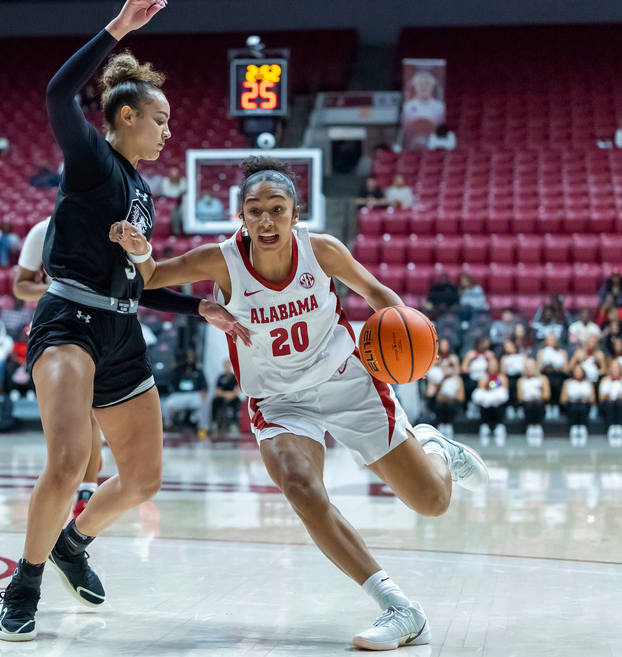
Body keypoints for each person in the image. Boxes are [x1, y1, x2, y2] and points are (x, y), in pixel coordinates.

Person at [111, 154, 489, 650]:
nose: (266, 220)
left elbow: (378, 293)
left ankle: (435, 448)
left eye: (277, 208)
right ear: (240, 216)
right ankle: (399, 608)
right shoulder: (221, 259)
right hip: (278, 399)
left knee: (433, 502)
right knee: (300, 486)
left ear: (295, 212)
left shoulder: (322, 251)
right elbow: (154, 276)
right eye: (254, 210)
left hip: (345, 381)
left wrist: (411, 332)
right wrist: (141, 253)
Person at [0, 0, 247, 643]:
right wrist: (116, 28)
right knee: (71, 459)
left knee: (143, 476)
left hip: (120, 329)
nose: (168, 131)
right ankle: (23, 581)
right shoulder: (90, 158)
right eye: (160, 120)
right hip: (68, 320)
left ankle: (71, 544)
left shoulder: (143, 190)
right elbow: (58, 93)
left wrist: (199, 308)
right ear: (126, 115)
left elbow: (136, 282)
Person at [13, 216, 102, 518]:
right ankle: (69, 483)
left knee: (92, 411)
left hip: (99, 324)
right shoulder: (42, 230)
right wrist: (59, 289)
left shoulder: (104, 223)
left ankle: (87, 489)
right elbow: (21, 286)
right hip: (58, 324)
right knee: (65, 414)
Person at [160, 348, 208, 436]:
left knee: (203, 403)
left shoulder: (198, 371)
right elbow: (171, 381)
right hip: (180, 395)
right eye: (188, 356)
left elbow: (204, 386)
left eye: (192, 356)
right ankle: (167, 425)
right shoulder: (178, 370)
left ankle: (203, 428)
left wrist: (203, 391)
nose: (190, 358)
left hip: (193, 395)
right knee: (168, 404)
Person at [471, 357, 509, 444]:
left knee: (501, 396)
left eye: (494, 365)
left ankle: (500, 425)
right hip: (487, 400)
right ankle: (484, 424)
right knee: (482, 398)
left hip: (498, 401)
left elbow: (505, 389)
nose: (492, 367)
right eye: (490, 365)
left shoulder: (502, 377)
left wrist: (493, 384)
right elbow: (481, 388)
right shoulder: (483, 377)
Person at [424, 359, 464, 439]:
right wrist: (437, 384)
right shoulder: (437, 379)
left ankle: (449, 425)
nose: (448, 369)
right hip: (439, 405)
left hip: (452, 404)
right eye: (445, 367)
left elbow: (461, 398)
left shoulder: (458, 379)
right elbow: (430, 394)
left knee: (449, 406)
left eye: (450, 367)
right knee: (439, 405)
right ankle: (440, 425)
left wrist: (448, 398)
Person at [598, 360, 622, 446]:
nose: (615, 370)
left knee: (619, 403)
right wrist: (608, 395)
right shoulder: (605, 380)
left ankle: (619, 427)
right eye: (613, 367)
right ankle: (611, 427)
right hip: (608, 404)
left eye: (617, 368)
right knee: (610, 404)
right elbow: (600, 398)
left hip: (621, 404)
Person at [517, 359, 550, 446]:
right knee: (529, 405)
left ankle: (538, 426)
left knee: (537, 405)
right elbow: (520, 397)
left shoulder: (543, 379)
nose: (529, 369)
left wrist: (538, 396)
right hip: (527, 402)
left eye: (531, 367)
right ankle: (530, 426)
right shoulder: (521, 381)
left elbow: (547, 394)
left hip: (539, 401)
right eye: (527, 367)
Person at [561, 364, 595, 446]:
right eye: (576, 371)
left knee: (582, 406)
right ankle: (574, 427)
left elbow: (592, 399)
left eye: (580, 371)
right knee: (574, 406)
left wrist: (584, 398)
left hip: (584, 403)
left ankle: (582, 427)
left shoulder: (588, 383)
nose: (578, 373)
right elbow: (563, 399)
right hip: (571, 404)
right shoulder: (568, 382)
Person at [537, 333, 568, 420]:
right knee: (548, 381)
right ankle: (548, 405)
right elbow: (539, 368)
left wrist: (557, 368)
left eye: (553, 340)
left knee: (558, 382)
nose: (551, 342)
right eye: (549, 340)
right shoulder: (541, 352)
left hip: (559, 375)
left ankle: (557, 405)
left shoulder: (562, 352)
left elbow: (566, 369)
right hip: (546, 375)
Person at [210, 359, 241, 436]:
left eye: (228, 366)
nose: (227, 368)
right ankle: (214, 421)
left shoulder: (234, 377)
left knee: (237, 401)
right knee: (214, 401)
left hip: (232, 398)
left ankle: (234, 423)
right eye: (225, 366)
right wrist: (226, 394)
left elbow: (236, 392)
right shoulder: (220, 378)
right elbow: (217, 392)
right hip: (222, 397)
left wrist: (230, 395)